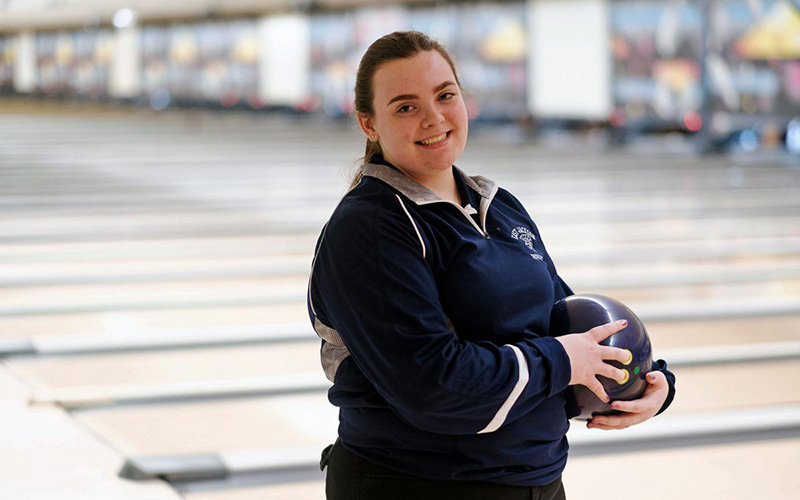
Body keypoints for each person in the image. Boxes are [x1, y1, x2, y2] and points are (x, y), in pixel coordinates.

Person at [307, 31, 675, 500]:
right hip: (418, 484)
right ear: (368, 123)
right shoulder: (371, 228)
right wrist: (563, 360)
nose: (434, 118)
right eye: (405, 107)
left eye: (445, 95)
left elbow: (565, 320)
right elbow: (433, 385)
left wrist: (647, 382)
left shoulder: (500, 207)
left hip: (535, 480)